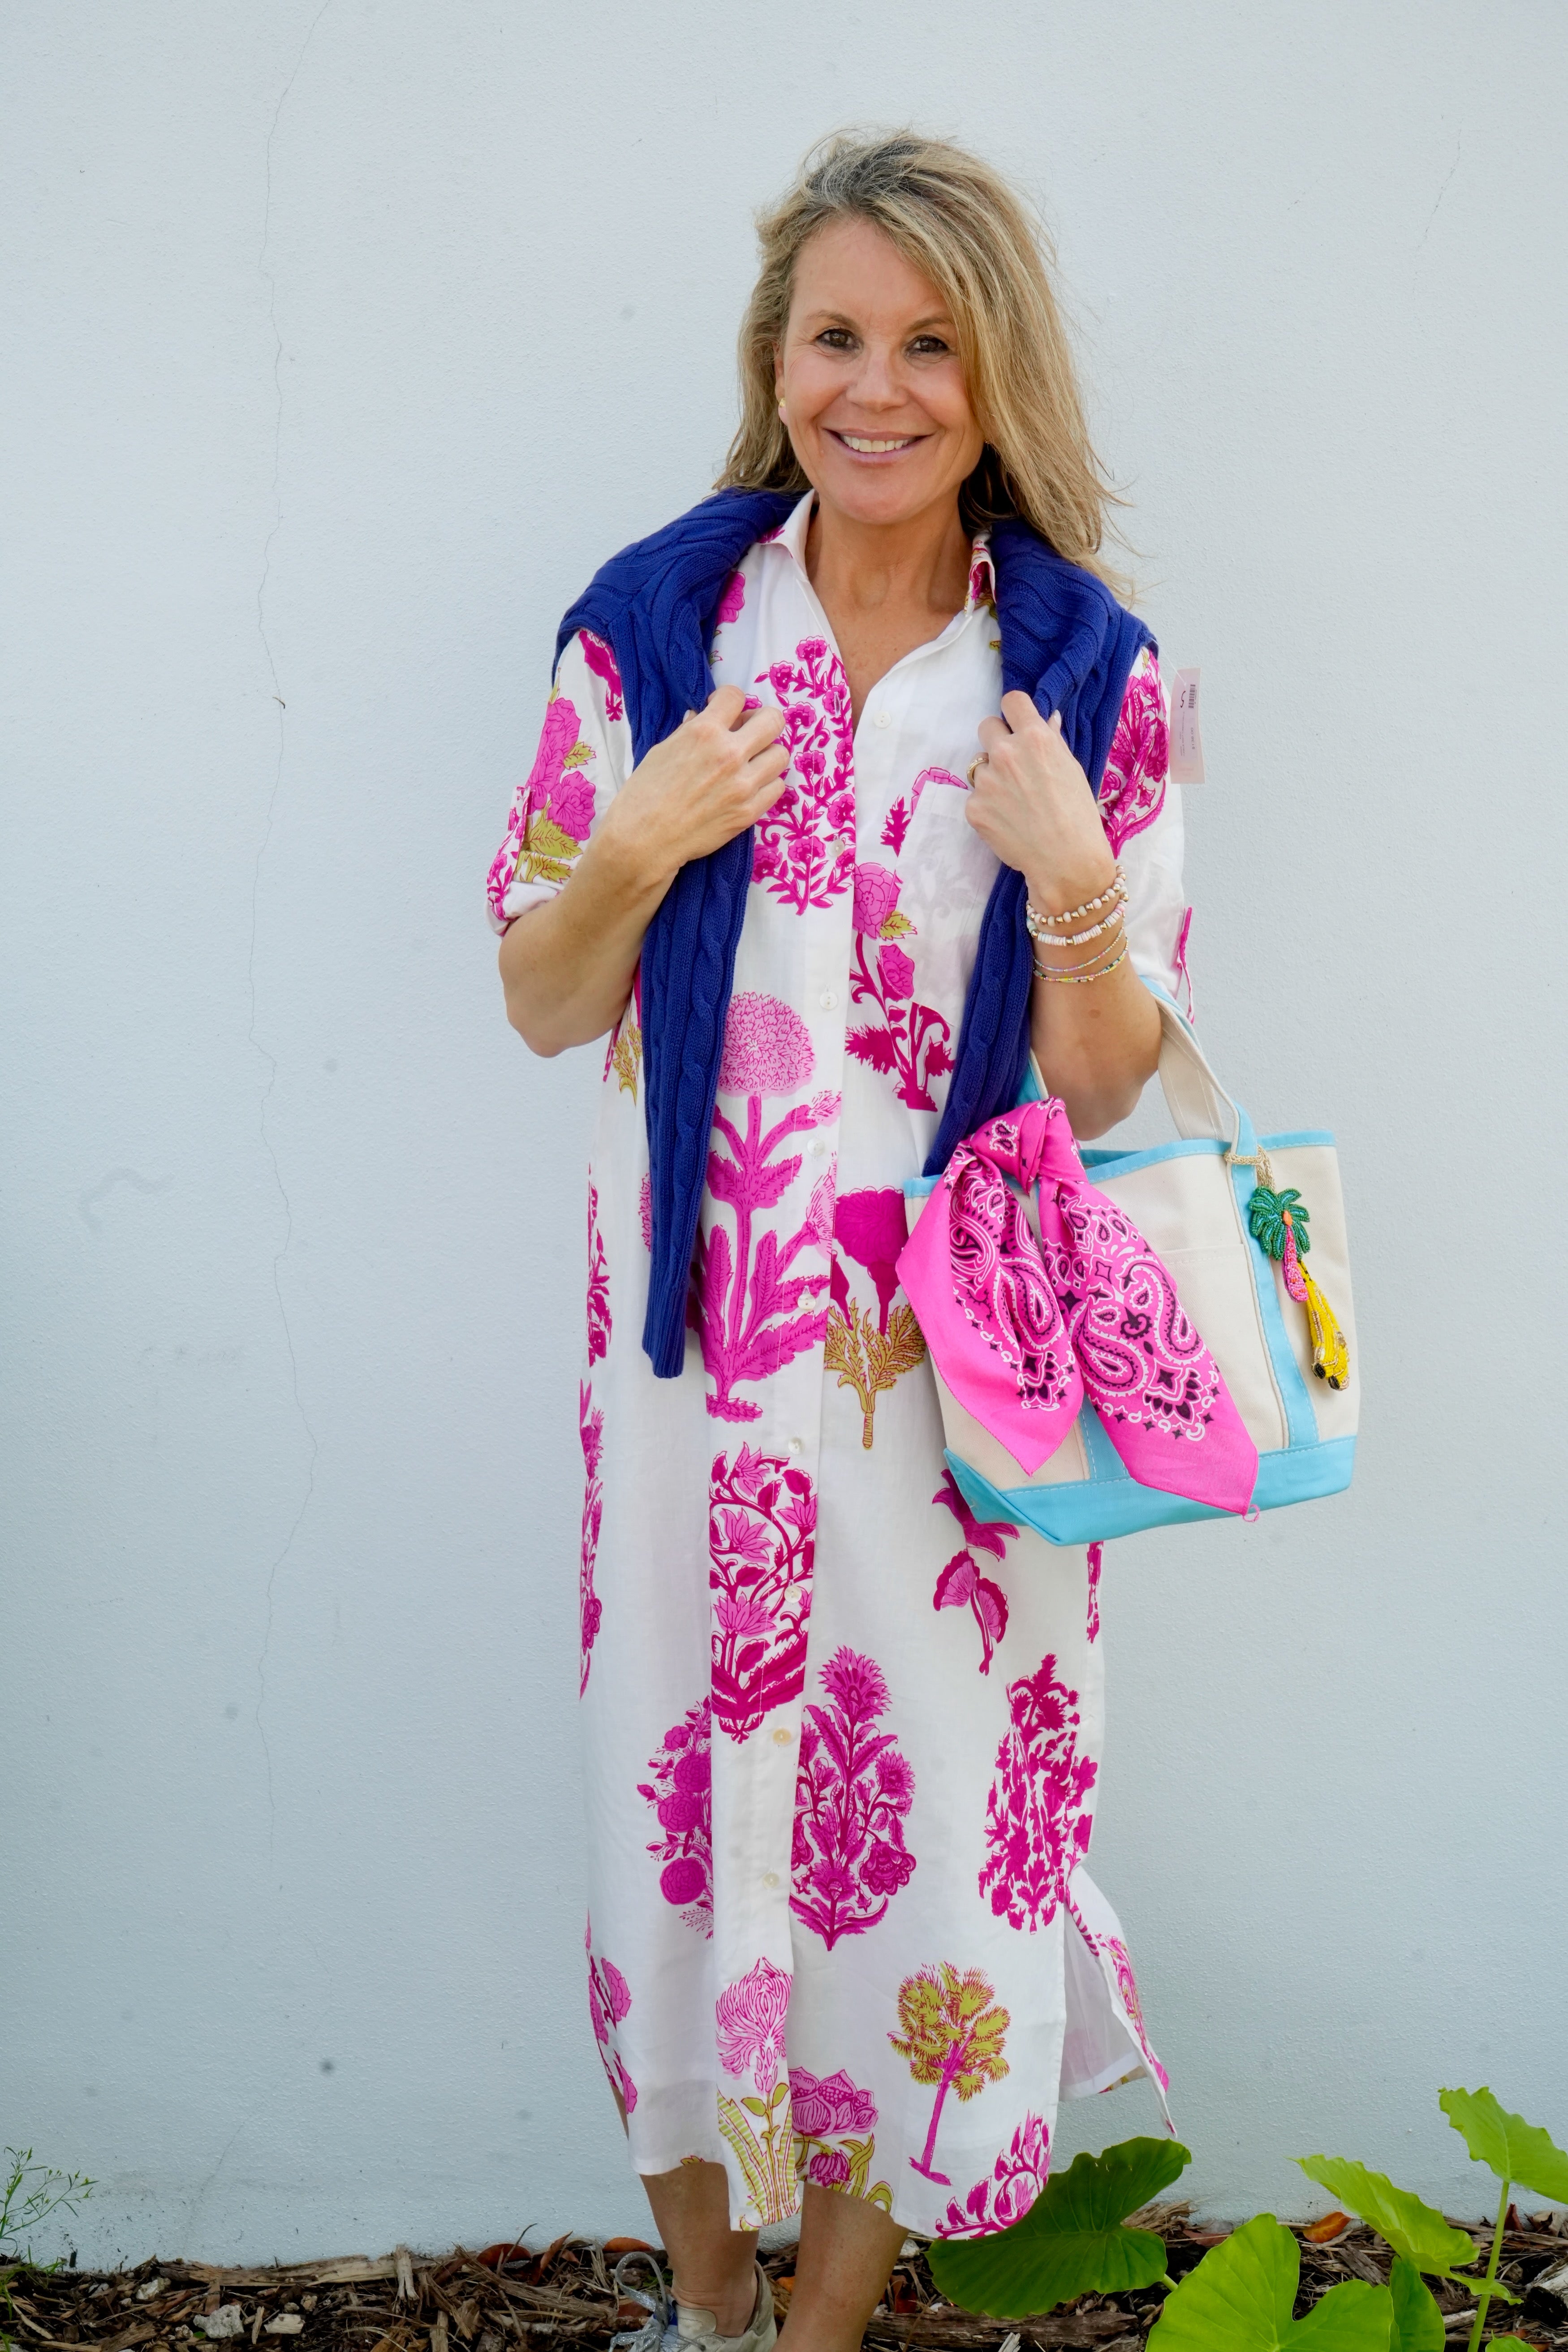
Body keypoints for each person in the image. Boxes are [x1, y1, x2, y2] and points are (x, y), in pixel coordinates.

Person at [489, 130, 1189, 2352]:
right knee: (674, 1832)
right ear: (772, 358)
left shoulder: (1078, 674)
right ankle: (705, 2297)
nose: (872, 388)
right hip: (697, 1372)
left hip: (950, 1403)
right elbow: (535, 994)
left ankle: (809, 2342)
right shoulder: (653, 632)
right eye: (832, 337)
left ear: (993, 379)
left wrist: (1068, 871)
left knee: (917, 1862)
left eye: (926, 344)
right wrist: (637, 842)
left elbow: (1095, 1081)